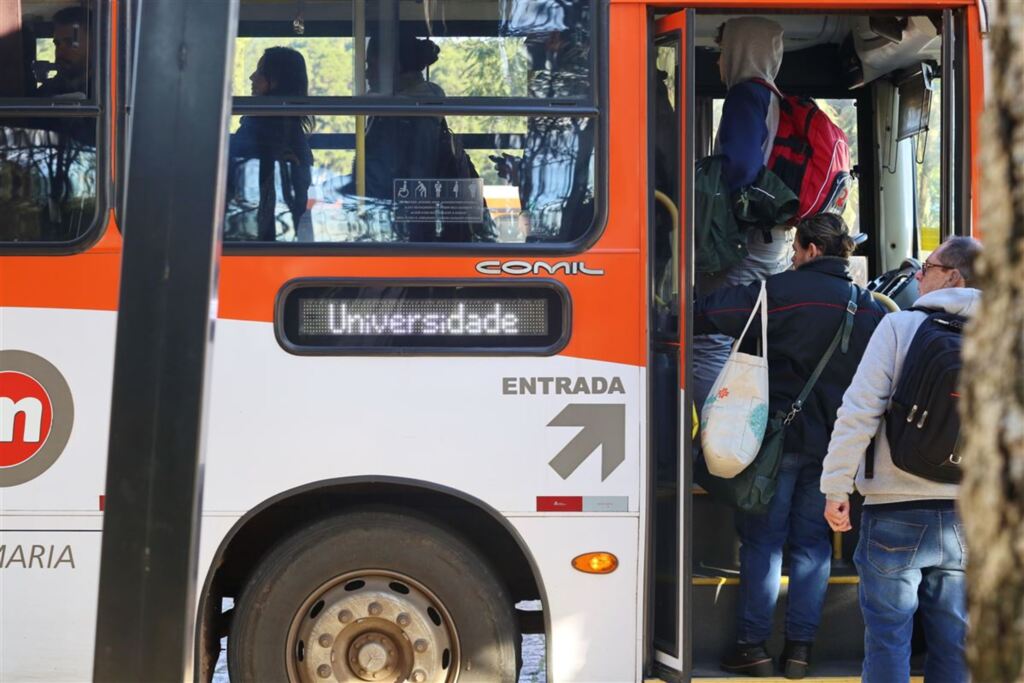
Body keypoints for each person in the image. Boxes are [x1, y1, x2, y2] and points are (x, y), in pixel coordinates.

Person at [693, 214, 888, 677]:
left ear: (811, 250)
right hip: (835, 449)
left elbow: (710, 312)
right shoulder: (870, 308)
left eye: (796, 250)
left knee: (763, 543)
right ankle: (799, 650)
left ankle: (752, 646)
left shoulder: (775, 292)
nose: (793, 258)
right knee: (813, 547)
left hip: (773, 442)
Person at [820, 236, 982, 683]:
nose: (917, 275)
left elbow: (858, 412)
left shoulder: (901, 327)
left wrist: (837, 487)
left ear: (953, 275)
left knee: (888, 637)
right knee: (955, 639)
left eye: (926, 267)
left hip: (893, 507)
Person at [692, 16, 790, 413]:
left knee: (709, 335)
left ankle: (713, 441)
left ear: (739, 50)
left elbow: (738, 169)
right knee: (743, 334)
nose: (718, 63)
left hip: (742, 239)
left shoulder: (746, 96)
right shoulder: (772, 96)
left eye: (721, 52)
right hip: (768, 236)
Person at [356, 31, 493, 242]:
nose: (366, 74)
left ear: (393, 68)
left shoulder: (403, 117)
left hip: (403, 234)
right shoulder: (415, 108)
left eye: (371, 65)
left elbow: (396, 183)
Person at [228, 47, 314, 241]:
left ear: (275, 81)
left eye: (259, 71)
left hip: (253, 234)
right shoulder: (286, 129)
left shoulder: (265, 130)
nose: (252, 77)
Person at [38, 7, 91, 99]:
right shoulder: (46, 91)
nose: (59, 52)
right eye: (57, 44)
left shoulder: (106, 89)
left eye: (70, 43)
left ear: (93, 45)